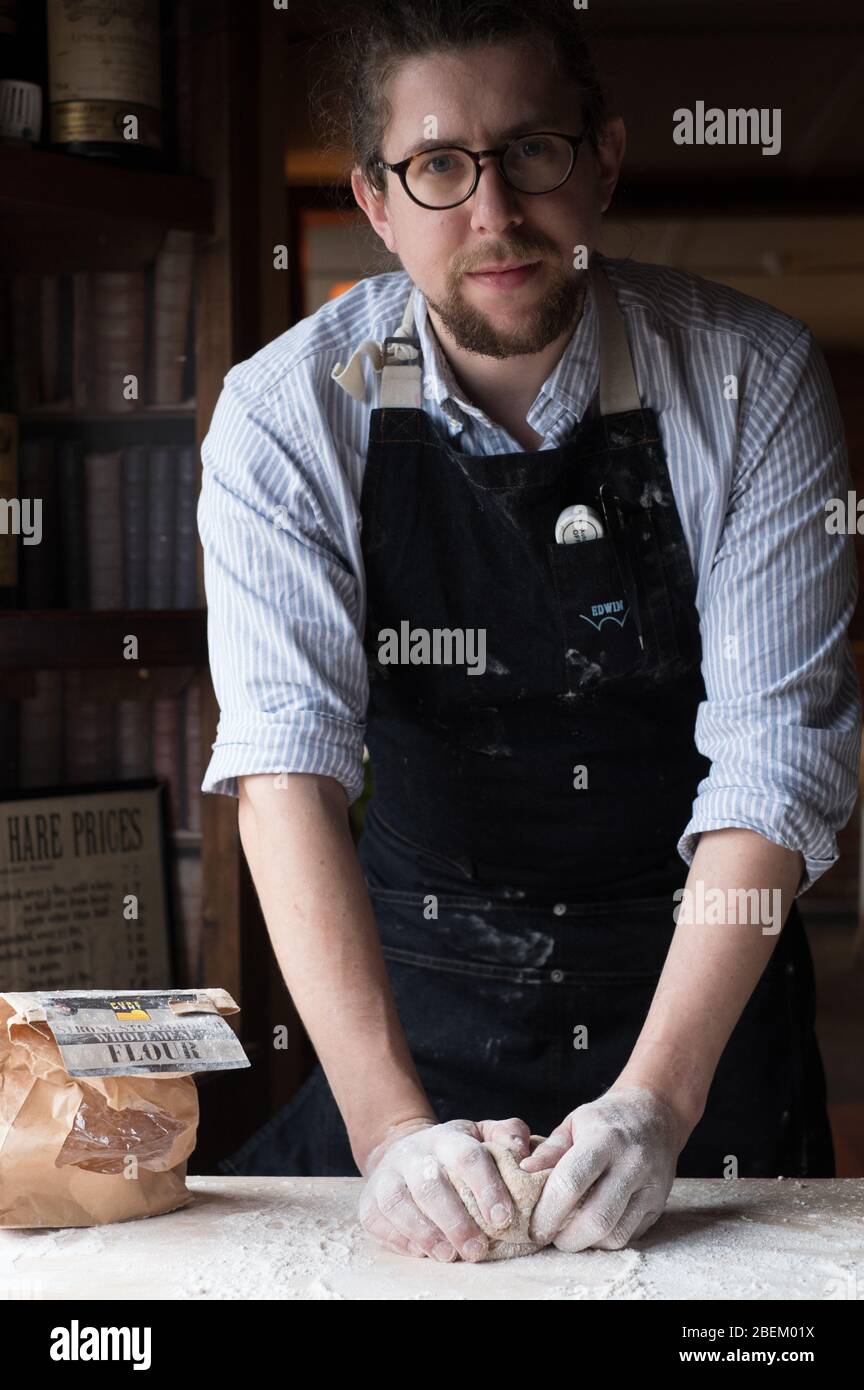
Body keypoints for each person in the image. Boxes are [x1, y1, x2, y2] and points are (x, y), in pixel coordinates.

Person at [197, 0, 861, 1262]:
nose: (493, 212)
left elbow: (775, 768)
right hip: (416, 1018)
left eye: (532, 152)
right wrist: (390, 1130)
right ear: (377, 203)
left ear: (602, 159)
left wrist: (657, 1104)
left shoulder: (748, 378)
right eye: (440, 166)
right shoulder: (288, 415)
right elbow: (284, 778)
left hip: (700, 1020)